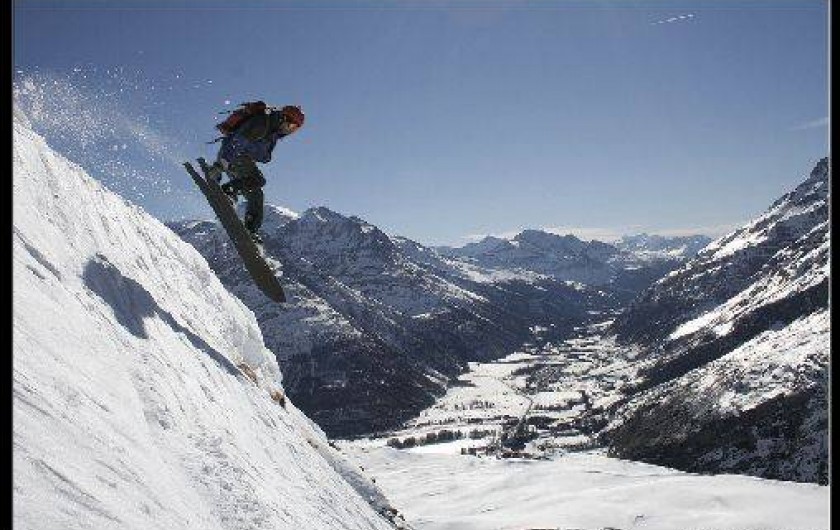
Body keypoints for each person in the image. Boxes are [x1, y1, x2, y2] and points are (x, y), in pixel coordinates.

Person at [210, 104, 305, 243]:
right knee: (258, 180)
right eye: (291, 126)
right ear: (284, 118)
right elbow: (238, 141)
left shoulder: (273, 132)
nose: (290, 131)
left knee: (256, 194)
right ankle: (229, 191)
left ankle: (251, 229)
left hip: (239, 159)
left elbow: (261, 154)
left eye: (294, 129)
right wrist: (221, 165)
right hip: (233, 157)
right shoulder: (263, 123)